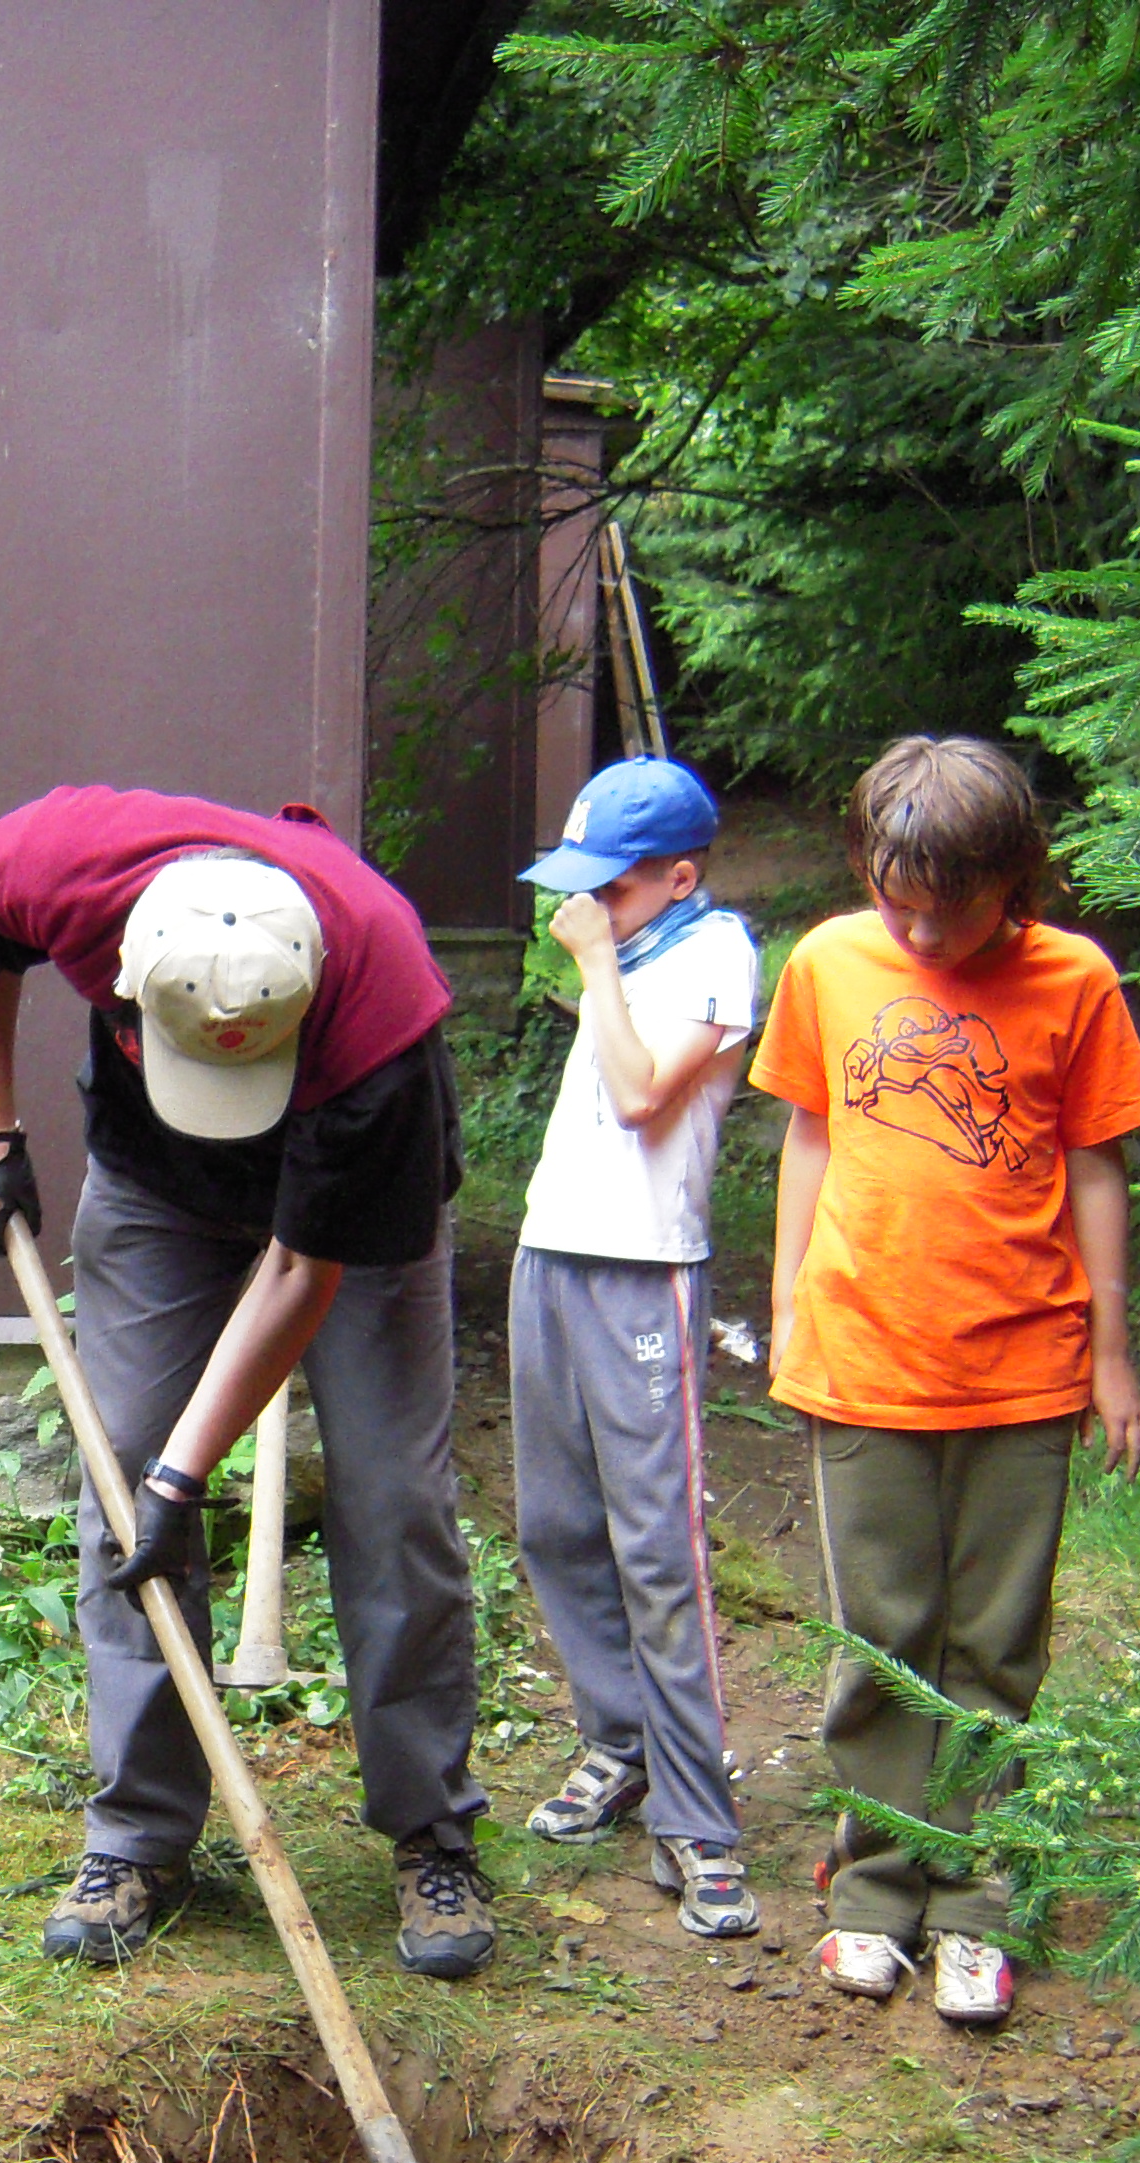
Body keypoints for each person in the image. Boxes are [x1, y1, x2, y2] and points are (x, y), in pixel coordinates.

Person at [0, 787, 494, 1978]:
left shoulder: (382, 1017)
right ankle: (139, 1836)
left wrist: (187, 1477)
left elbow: (300, 1272)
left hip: (344, 1207)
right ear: (127, 974)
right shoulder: (66, 867)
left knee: (393, 1497)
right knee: (120, 1476)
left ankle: (431, 1830)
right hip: (157, 1187)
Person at [751, 735, 1140, 2024]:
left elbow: (1096, 1164)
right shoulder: (827, 963)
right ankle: (875, 1891)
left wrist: (1111, 1359)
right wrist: (787, 1300)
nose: (923, 935)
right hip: (864, 1358)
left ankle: (977, 1902)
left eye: (955, 908)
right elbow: (811, 1132)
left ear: (1014, 877)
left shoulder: (1073, 978)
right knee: (882, 1639)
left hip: (1025, 1369)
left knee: (993, 1645)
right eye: (899, 904)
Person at [506, 756, 764, 1942]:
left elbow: (640, 1096)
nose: (588, 907)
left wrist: (597, 965)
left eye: (610, 888)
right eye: (584, 888)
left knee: (657, 1547)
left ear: (680, 877)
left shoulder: (715, 953)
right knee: (556, 1524)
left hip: (643, 1270)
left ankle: (699, 1818)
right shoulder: (636, 942)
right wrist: (607, 954)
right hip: (550, 1251)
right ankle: (619, 1744)